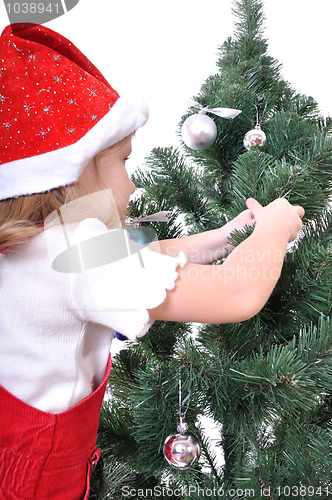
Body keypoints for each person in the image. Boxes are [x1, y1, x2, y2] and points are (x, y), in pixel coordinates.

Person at [0, 23, 304, 500]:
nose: (134, 183)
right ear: (70, 175)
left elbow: (147, 257)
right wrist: (274, 229)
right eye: (122, 161)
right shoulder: (75, 259)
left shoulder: (46, 247)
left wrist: (224, 237)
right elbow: (237, 294)